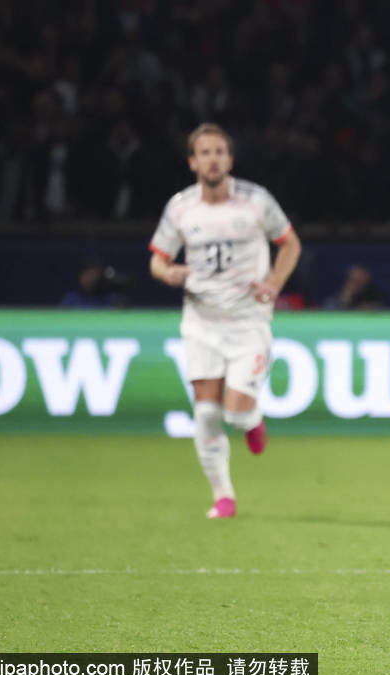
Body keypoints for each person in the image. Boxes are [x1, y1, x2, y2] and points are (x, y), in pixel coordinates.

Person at [148, 123, 302, 519]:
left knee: (234, 412)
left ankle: (251, 421)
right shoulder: (180, 207)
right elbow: (157, 260)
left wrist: (274, 283)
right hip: (201, 322)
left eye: (219, 152)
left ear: (230, 160)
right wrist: (169, 273)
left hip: (248, 320)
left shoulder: (255, 200)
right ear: (192, 161)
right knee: (205, 413)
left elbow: (290, 243)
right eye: (205, 152)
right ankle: (223, 497)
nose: (212, 159)